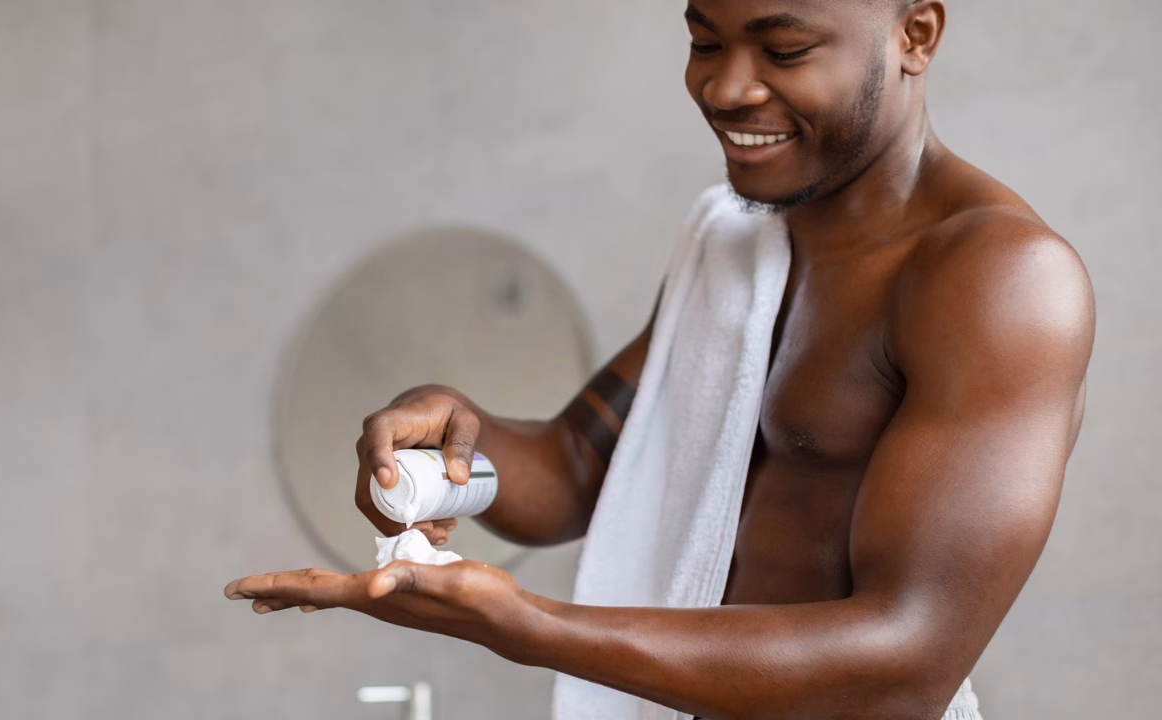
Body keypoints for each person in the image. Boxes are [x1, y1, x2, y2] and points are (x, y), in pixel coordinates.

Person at [225, 1, 1094, 718]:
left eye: (784, 48)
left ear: (916, 35)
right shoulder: (734, 240)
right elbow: (576, 467)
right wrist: (452, 453)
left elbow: (909, 663)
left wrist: (529, 626)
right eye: (703, 40)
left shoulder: (996, 280)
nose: (725, 86)